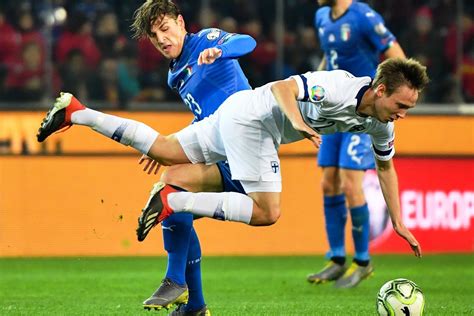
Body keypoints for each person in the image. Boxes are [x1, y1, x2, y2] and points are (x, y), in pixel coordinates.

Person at [37, 59, 426, 271]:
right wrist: (296, 122)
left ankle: (79, 112)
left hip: (234, 113)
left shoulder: (381, 122)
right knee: (267, 212)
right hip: (255, 122)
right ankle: (176, 201)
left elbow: (386, 168)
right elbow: (283, 88)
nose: (403, 115)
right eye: (401, 105)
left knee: (164, 148)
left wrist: (398, 221)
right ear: (380, 90)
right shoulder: (340, 86)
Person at [71, 0, 255, 315]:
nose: (162, 40)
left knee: (170, 190)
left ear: (181, 23)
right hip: (221, 153)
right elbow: (204, 117)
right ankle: (193, 304)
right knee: (171, 196)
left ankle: (177, 282)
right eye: (155, 37)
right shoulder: (175, 75)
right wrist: (171, 147)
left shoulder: (206, 40)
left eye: (166, 29)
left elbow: (246, 42)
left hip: (246, 151)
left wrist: (221, 51)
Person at [307, 0, 407, 288]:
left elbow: (397, 55)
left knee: (352, 182)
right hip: (334, 107)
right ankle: (337, 258)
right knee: (328, 182)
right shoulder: (322, 16)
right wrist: (315, 79)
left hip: (362, 111)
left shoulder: (363, 16)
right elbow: (330, 59)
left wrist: (387, 99)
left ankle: (362, 261)